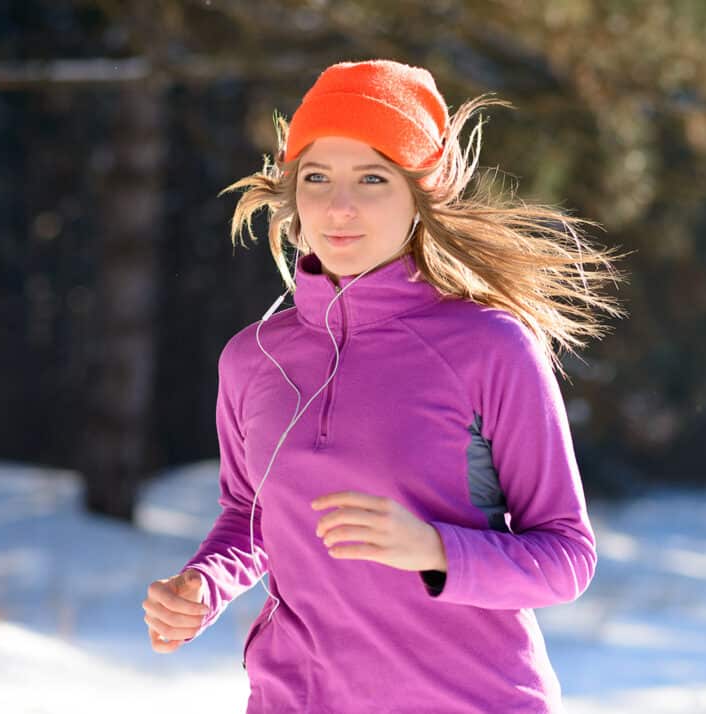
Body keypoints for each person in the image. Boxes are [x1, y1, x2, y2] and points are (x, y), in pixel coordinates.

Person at [141, 59, 626, 713]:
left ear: (421, 196)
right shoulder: (252, 360)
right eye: (317, 177)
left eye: (373, 178)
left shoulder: (488, 347)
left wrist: (433, 549)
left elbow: (565, 555)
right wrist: (203, 585)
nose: (340, 206)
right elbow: (251, 517)